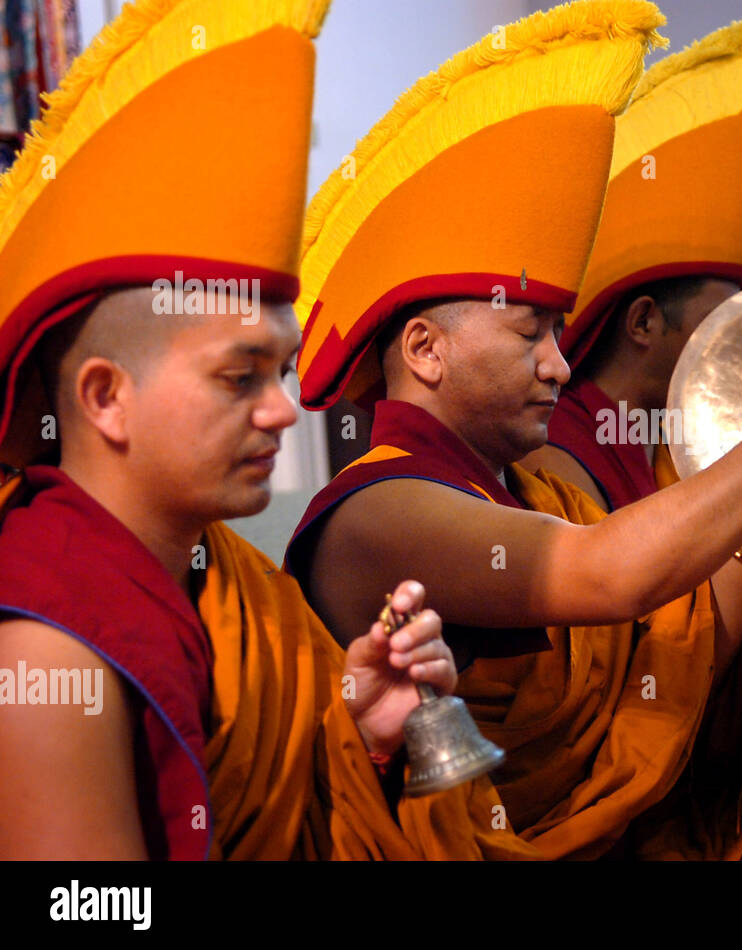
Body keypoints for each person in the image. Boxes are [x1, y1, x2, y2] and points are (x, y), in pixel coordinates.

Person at [287, 15, 742, 860]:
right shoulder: (381, 508)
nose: (558, 365)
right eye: (530, 333)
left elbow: (685, 650)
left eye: (558, 334)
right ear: (425, 349)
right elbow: (609, 574)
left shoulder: (529, 496)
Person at [0, 0, 534, 860]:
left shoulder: (236, 592)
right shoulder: (45, 646)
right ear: (105, 398)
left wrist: (355, 728)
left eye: (281, 372)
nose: (285, 408)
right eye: (237, 376)